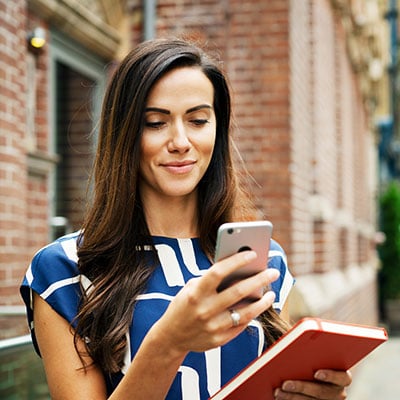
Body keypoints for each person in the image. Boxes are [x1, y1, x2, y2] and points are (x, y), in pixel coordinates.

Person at [20, 38, 352, 400]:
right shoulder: (63, 270)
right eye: (155, 123)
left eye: (197, 120)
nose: (180, 141)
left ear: (217, 129)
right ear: (125, 134)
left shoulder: (260, 261)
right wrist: (168, 343)